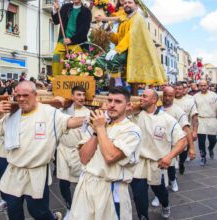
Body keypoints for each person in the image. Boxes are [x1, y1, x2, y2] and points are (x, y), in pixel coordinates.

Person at [0, 81, 85, 220]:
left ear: (35, 95)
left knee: (38, 211)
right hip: (15, 171)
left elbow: (70, 122)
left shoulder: (49, 112)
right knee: (13, 210)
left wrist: (93, 118)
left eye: (25, 95)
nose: (21, 99)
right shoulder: (11, 115)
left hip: (36, 172)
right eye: (18, 95)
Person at [69, 87, 141, 220]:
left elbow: (110, 156)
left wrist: (100, 128)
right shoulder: (98, 125)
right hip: (87, 184)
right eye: (110, 100)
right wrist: (96, 131)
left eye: (118, 101)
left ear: (128, 105)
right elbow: (84, 158)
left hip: (111, 188)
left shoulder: (132, 130)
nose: (112, 105)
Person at [130, 89, 187, 219]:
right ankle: (143, 216)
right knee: (139, 196)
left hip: (157, 163)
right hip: (138, 163)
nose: (141, 98)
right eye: (141, 96)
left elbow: (182, 141)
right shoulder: (135, 115)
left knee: (160, 191)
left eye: (145, 96)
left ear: (154, 100)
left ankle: (165, 205)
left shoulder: (167, 119)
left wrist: (169, 156)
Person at [96, 0, 166, 85]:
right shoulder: (125, 20)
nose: (126, 4)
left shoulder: (138, 18)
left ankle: (118, 86)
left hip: (136, 52)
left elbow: (131, 36)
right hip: (126, 49)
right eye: (125, 3)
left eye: (130, 2)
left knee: (114, 60)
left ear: (136, 6)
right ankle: (103, 83)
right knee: (100, 59)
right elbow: (119, 39)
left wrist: (117, 50)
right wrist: (109, 33)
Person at [150, 86, 195, 207]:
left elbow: (186, 129)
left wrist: (191, 148)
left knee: (169, 170)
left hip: (171, 147)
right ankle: (158, 196)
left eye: (170, 95)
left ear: (174, 96)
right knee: (158, 173)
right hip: (157, 146)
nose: (167, 98)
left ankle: (173, 180)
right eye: (165, 95)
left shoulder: (178, 111)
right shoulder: (156, 109)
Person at [56, 86, 91, 219]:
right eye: (78, 95)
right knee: (63, 181)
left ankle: (81, 208)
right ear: (72, 96)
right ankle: (69, 208)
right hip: (63, 149)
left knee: (79, 182)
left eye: (83, 95)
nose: (81, 98)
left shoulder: (87, 112)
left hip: (78, 151)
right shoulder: (63, 111)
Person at [52, 0, 92, 76]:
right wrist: (55, 10)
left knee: (78, 63)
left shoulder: (86, 12)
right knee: (56, 58)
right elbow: (57, 21)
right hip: (62, 42)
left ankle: (75, 83)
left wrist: (71, 40)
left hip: (76, 43)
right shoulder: (66, 7)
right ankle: (56, 80)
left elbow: (84, 31)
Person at [174, 82, 198, 173]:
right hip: (171, 131)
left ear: (183, 90)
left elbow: (194, 118)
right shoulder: (169, 100)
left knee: (184, 150)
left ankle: (181, 162)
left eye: (180, 89)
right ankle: (172, 171)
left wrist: (194, 131)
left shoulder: (189, 102)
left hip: (184, 131)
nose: (177, 91)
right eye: (176, 89)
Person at [194, 80, 217, 165]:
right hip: (201, 120)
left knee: (213, 140)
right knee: (201, 141)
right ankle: (203, 157)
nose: (203, 87)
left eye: (204, 85)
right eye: (201, 86)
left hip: (212, 119)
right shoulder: (195, 97)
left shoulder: (214, 96)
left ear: (207, 85)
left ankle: (210, 148)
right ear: (199, 86)